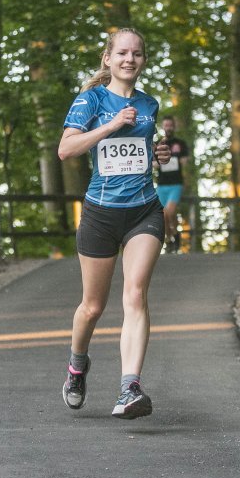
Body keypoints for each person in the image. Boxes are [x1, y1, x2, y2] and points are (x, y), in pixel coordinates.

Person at [57, 28, 171, 419]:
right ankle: (77, 367)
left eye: (137, 54)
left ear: (143, 60)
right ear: (108, 59)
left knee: (136, 294)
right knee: (92, 307)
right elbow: (66, 149)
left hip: (143, 209)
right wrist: (110, 126)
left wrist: (159, 154)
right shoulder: (90, 100)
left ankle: (130, 387)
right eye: (122, 53)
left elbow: (143, 156)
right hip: (101, 214)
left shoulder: (149, 104)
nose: (130, 59)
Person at [155, 115, 190, 253]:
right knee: (163, 215)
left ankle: (174, 234)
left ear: (174, 127)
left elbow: (185, 160)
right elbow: (153, 163)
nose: (168, 128)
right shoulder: (158, 144)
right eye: (166, 125)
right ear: (163, 127)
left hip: (176, 183)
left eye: (170, 125)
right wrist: (160, 162)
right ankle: (171, 237)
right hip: (162, 184)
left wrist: (172, 158)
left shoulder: (180, 143)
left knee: (169, 211)